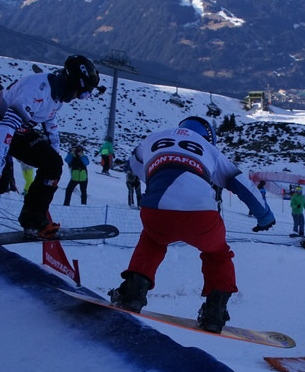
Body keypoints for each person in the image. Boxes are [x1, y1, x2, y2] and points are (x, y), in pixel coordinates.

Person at [107, 116, 276, 333]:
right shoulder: (210, 150)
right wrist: (265, 217)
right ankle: (214, 312)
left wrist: (153, 175)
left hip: (156, 209)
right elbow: (240, 183)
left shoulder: (154, 138)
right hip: (201, 213)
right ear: (209, 137)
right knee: (217, 253)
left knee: (151, 241)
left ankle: (132, 293)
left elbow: (133, 164)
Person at [0, 55, 100, 245]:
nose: (81, 97)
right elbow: (6, 125)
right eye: (83, 92)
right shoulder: (36, 90)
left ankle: (33, 218)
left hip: (17, 129)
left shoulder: (58, 93)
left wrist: (53, 155)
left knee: (53, 165)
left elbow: (49, 121)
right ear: (73, 83)